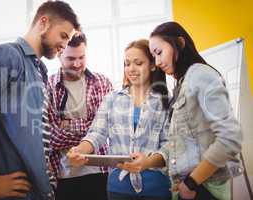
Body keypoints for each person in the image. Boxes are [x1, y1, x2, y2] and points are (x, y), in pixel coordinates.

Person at [0, 1, 80, 199]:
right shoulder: (7, 55)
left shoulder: (40, 71)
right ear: (43, 23)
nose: (64, 45)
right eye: (63, 36)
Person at [119, 22, 243, 200]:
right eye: (154, 56)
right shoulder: (182, 83)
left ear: (180, 43)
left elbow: (230, 138)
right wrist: (147, 161)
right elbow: (179, 143)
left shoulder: (200, 75)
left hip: (204, 187)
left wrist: (191, 182)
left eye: (159, 52)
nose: (158, 61)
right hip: (188, 187)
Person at [67, 39, 172, 200]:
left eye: (138, 63)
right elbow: (97, 134)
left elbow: (169, 145)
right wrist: (79, 151)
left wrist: (147, 162)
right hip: (119, 188)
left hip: (157, 188)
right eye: (127, 63)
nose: (131, 69)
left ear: (152, 65)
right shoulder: (112, 99)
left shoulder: (165, 101)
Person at [47, 33, 113, 200]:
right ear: (59, 54)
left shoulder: (102, 82)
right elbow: (51, 135)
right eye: (70, 58)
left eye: (81, 57)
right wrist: (90, 126)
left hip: (99, 172)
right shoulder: (48, 86)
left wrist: (67, 125)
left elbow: (104, 128)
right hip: (62, 175)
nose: (77, 64)